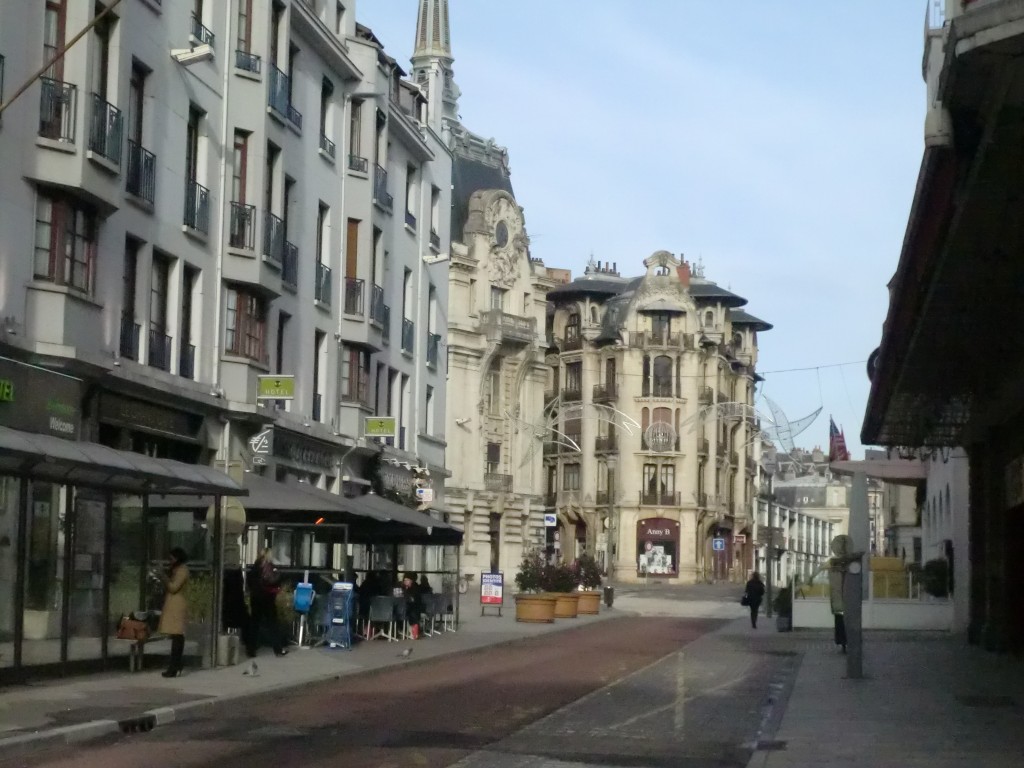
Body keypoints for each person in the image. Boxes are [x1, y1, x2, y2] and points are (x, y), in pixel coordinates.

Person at [155, 547, 190, 677]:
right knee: (175, 637)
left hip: (178, 606)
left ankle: (174, 666)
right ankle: (175, 664)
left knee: (177, 637)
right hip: (173, 605)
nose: (170, 561)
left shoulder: (183, 570)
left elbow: (173, 587)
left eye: (172, 558)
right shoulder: (176, 569)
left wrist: (162, 576)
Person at [247, 548, 287, 657]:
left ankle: (251, 650)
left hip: (255, 598)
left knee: (255, 624)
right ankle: (278, 649)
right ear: (267, 555)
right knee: (273, 624)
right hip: (267, 598)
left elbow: (249, 582)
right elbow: (274, 580)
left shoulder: (254, 568)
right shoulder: (269, 567)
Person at [401, 572, 424, 640]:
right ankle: (413, 630)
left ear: (411, 580)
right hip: (407, 607)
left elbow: (414, 599)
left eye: (407, 580)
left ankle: (413, 630)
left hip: (413, 607)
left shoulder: (415, 588)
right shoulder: (404, 588)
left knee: (411, 612)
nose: (405, 582)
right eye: (404, 580)